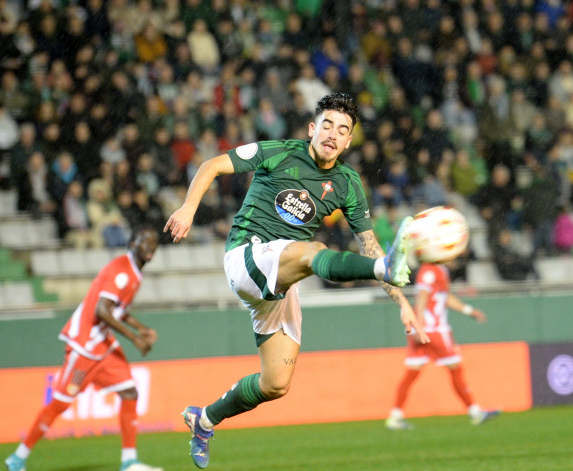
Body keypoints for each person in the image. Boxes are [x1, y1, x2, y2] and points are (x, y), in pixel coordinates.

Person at [163, 92, 427, 469]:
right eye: (327, 125)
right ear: (312, 128)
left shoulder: (348, 184)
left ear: (349, 140)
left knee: (276, 383)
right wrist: (189, 208)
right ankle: (385, 269)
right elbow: (212, 165)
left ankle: (204, 420)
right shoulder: (280, 151)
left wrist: (402, 304)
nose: (333, 134)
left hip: (282, 279)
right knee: (311, 250)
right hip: (246, 257)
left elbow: (368, 246)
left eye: (343, 129)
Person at [4, 228, 162, 471]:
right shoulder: (121, 270)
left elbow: (117, 309)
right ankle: (18, 458)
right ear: (132, 244)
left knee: (129, 393)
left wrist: (141, 328)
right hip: (85, 349)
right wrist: (134, 339)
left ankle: (129, 462)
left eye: (153, 242)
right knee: (61, 403)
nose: (150, 246)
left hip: (104, 349)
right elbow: (102, 310)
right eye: (144, 241)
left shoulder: (134, 272)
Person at [385, 261, 500, 430]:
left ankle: (395, 416)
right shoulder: (430, 270)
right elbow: (422, 297)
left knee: (411, 374)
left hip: (424, 328)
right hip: (434, 329)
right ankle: (475, 412)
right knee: (456, 369)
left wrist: (469, 310)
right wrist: (420, 325)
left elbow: (444, 297)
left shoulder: (438, 270)